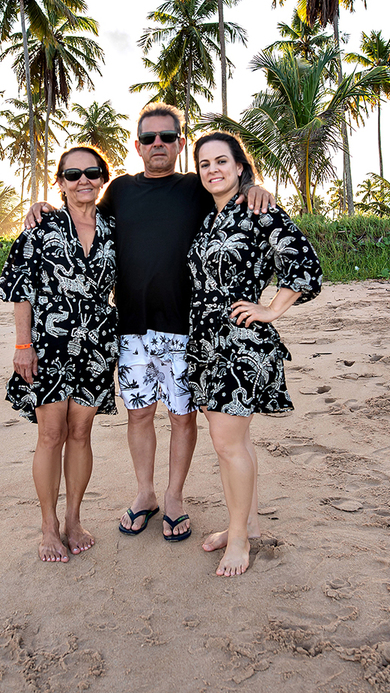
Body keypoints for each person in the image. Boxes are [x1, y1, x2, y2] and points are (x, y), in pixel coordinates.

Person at [26, 103, 274, 543]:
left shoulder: (197, 187)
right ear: (137, 146)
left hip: (186, 329)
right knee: (139, 417)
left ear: (180, 142)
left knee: (182, 418)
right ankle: (145, 494)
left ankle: (174, 497)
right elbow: (81, 206)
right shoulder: (118, 190)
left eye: (166, 137)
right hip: (131, 329)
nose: (157, 144)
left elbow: (233, 186)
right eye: (148, 138)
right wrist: (41, 206)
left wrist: (258, 188)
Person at [187, 131, 322, 576]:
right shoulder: (209, 217)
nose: (213, 170)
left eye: (221, 161)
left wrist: (271, 310)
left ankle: (240, 537)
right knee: (235, 442)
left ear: (240, 166)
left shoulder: (259, 209)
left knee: (227, 444)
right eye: (205, 164)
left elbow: (305, 266)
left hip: (241, 343)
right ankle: (245, 522)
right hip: (205, 342)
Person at [0, 146, 118, 562]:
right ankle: (47, 526)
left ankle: (73, 519)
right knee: (50, 434)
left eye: (91, 172)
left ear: (103, 177)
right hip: (47, 343)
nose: (82, 180)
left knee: (81, 433)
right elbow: (20, 289)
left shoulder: (115, 227)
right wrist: (22, 344)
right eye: (72, 174)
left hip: (98, 343)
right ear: (60, 182)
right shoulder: (41, 227)